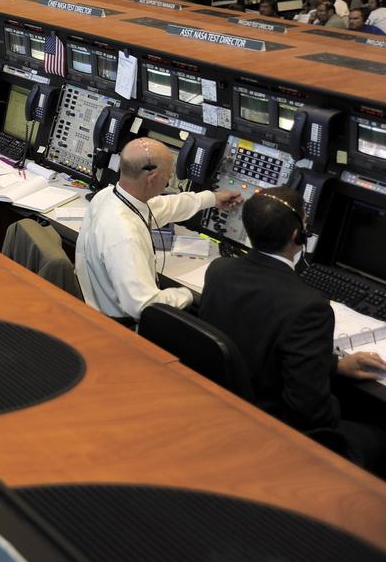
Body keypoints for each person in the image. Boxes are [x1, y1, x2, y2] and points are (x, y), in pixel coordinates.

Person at [199, 188, 386, 473]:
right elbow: (312, 414)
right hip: (274, 431)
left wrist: (334, 365)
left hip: (224, 410)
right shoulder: (309, 307)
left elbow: (255, 341)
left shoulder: (219, 270)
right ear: (298, 236)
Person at [75, 137, 242, 323]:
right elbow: (144, 306)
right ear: (152, 178)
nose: (168, 182)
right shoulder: (125, 235)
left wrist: (212, 198)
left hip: (94, 305)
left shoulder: (108, 196)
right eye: (168, 177)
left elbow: (164, 206)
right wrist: (188, 294)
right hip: (119, 327)